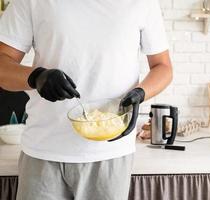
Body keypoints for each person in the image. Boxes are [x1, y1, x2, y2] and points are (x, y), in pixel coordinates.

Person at [0, 0, 172, 199]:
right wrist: (36, 77)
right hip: (43, 151)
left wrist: (140, 94)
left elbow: (163, 67)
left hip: (110, 155)